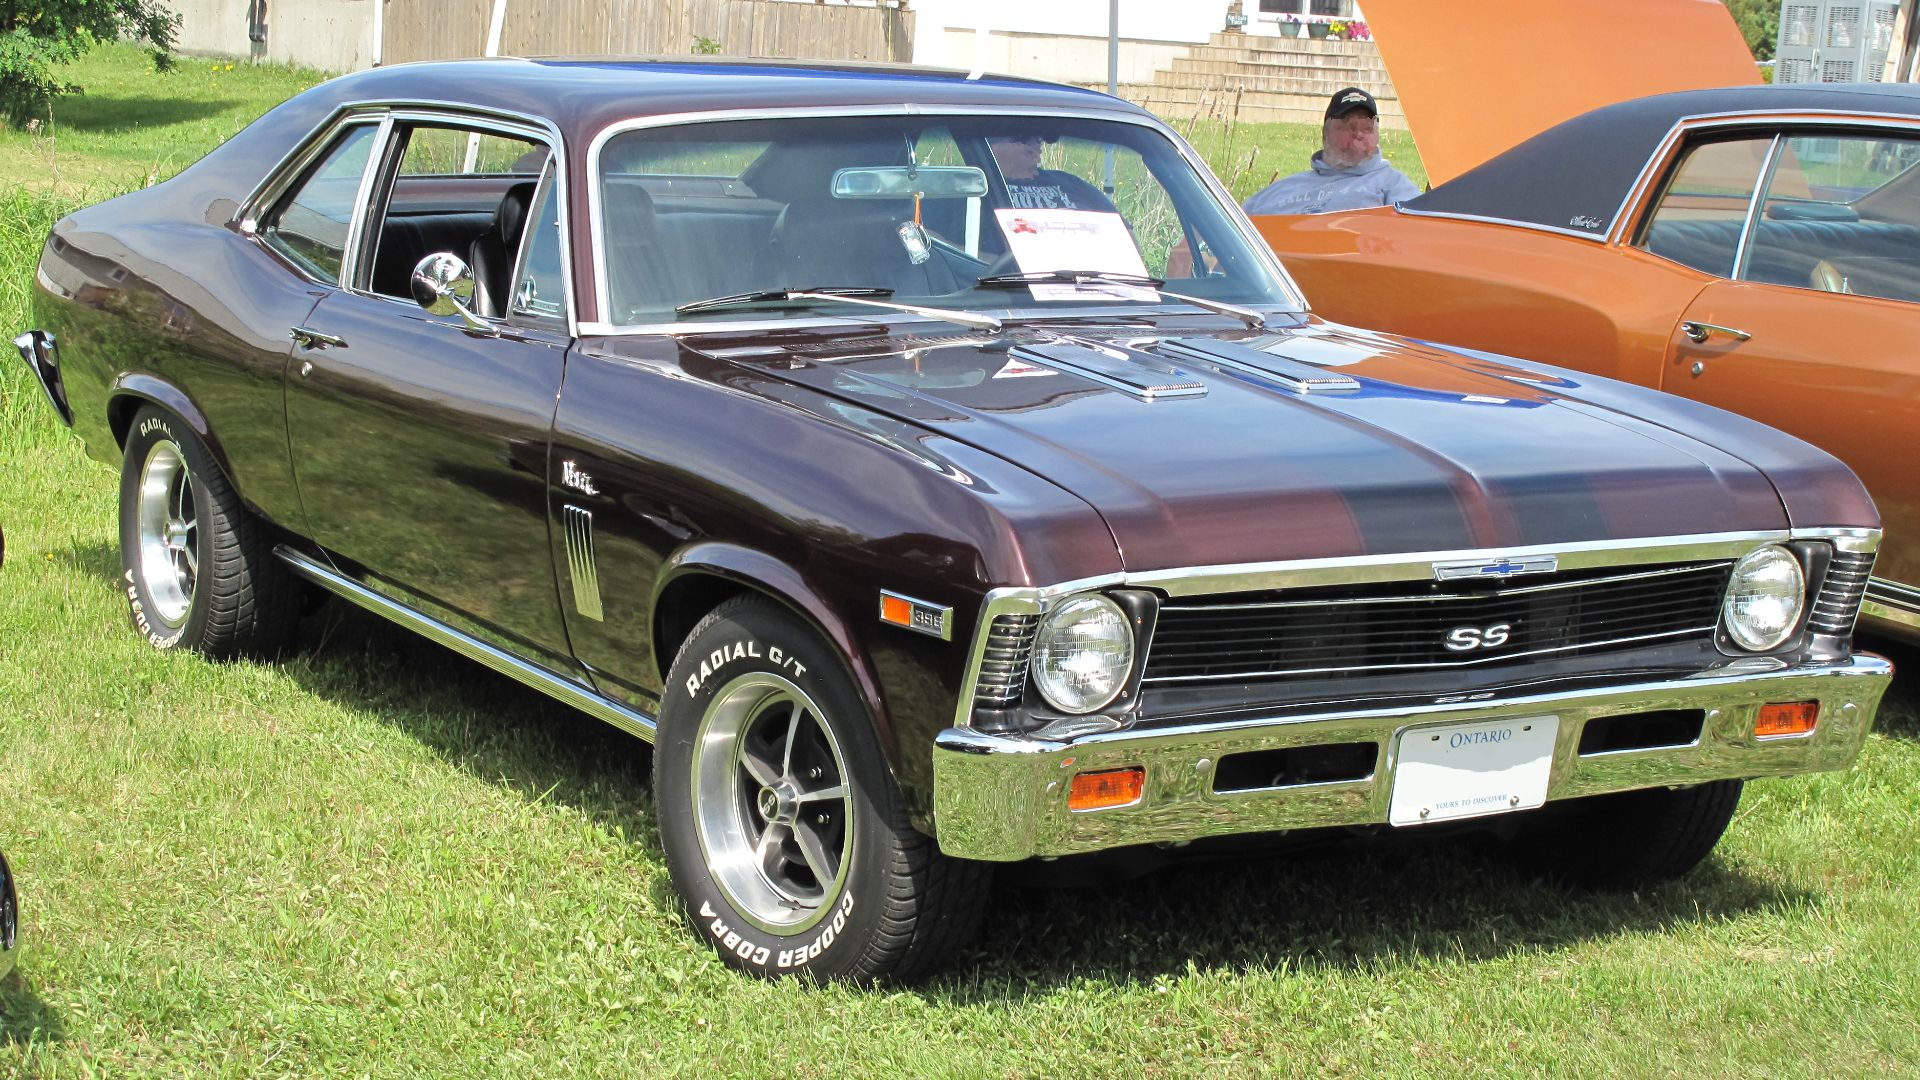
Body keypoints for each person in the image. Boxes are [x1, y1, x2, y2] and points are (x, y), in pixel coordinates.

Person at [1241, 87, 1420, 215]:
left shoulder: (1392, 185)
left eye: (1367, 128)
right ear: (1325, 135)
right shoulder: (1279, 192)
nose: (1358, 134)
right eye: (1348, 126)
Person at [989, 134, 1116, 212]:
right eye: (1023, 138)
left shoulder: (1071, 183)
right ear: (989, 146)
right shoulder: (982, 188)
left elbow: (1121, 230)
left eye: (1038, 138)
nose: (1036, 144)